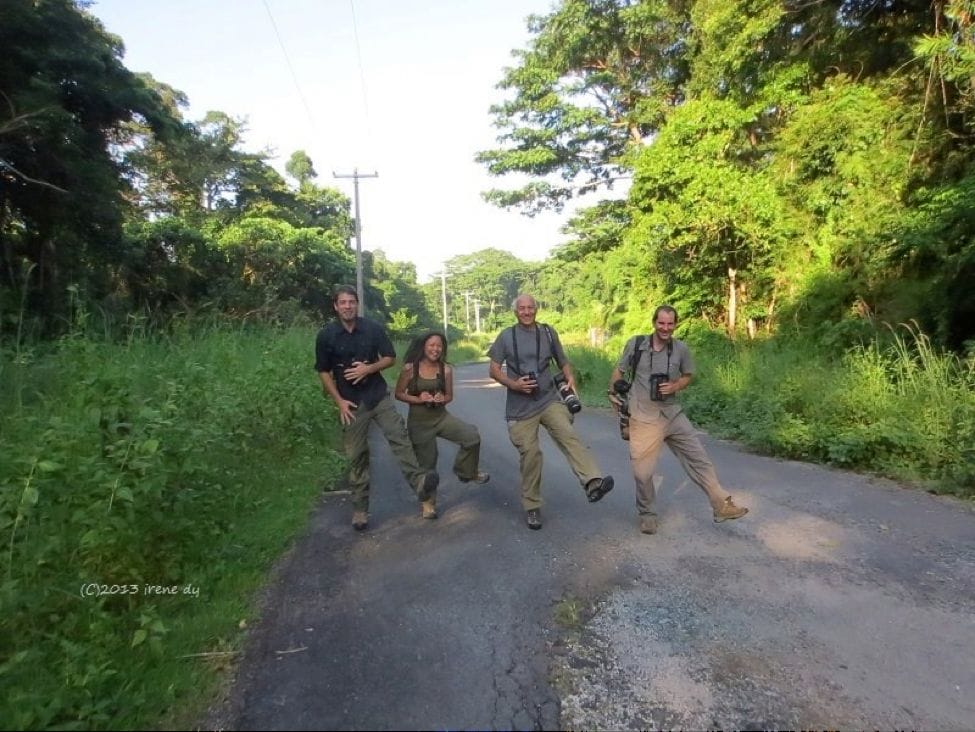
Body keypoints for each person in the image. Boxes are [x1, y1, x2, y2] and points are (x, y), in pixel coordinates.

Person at [607, 304, 749, 535]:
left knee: (699, 459)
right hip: (643, 416)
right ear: (654, 322)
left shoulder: (681, 349)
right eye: (661, 323)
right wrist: (613, 393)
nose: (665, 328)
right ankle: (647, 514)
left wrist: (674, 386)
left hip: (672, 413)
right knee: (643, 473)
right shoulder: (636, 345)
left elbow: (688, 376)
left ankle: (721, 504)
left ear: (675, 325)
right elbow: (619, 371)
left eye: (670, 324)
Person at [315, 285, 439, 530]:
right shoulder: (326, 335)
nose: (348, 306)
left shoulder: (372, 329)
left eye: (352, 302)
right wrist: (338, 401)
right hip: (350, 403)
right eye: (343, 302)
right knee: (357, 455)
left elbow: (390, 357)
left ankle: (424, 494)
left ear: (357, 304)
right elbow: (323, 371)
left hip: (378, 396)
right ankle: (360, 510)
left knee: (400, 440)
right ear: (336, 306)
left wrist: (368, 368)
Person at [488, 294, 614, 530]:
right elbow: (493, 370)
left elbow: (562, 360)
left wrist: (570, 376)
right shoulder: (506, 336)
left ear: (537, 309)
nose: (526, 312)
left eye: (530, 308)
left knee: (567, 433)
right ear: (515, 312)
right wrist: (514, 384)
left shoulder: (547, 332)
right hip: (519, 406)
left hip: (547, 399)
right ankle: (532, 507)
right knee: (531, 455)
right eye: (522, 308)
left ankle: (592, 482)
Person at [394, 331, 490, 489]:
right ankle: (428, 505)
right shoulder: (410, 368)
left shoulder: (445, 369)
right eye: (431, 345)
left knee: (471, 437)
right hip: (419, 424)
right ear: (423, 347)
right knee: (428, 467)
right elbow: (398, 394)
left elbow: (449, 396)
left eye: (439, 346)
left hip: (441, 418)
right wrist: (418, 399)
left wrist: (441, 398)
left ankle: (466, 472)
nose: (435, 349)